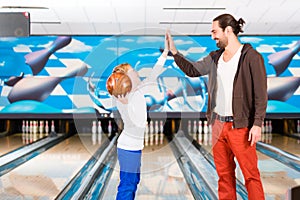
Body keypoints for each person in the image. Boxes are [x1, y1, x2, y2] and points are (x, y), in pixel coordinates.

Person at [166, 13, 267, 200]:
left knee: (251, 176)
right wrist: (175, 52)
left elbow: (261, 94)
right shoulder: (215, 58)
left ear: (228, 30)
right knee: (224, 176)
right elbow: (193, 70)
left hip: (241, 126)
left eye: (215, 31)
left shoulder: (252, 57)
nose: (212, 36)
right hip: (218, 125)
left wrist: (257, 123)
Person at [103, 36, 169, 200]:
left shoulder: (138, 90)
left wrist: (165, 53)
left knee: (133, 182)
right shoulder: (123, 98)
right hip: (128, 147)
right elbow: (134, 122)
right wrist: (125, 103)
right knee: (127, 185)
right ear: (127, 80)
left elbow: (154, 74)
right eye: (133, 73)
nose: (137, 74)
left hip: (135, 146)